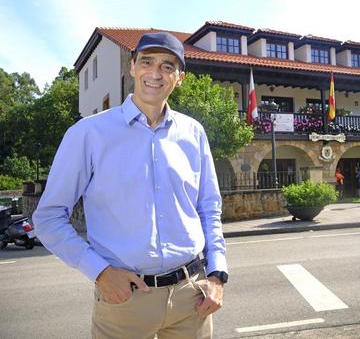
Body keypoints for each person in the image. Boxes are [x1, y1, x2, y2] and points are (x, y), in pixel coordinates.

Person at [32, 32, 227, 339]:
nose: (155, 73)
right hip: (126, 299)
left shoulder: (194, 133)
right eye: (147, 62)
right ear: (132, 66)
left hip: (193, 297)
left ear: (180, 78)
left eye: (167, 66)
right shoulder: (89, 134)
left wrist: (217, 274)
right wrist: (100, 272)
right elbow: (48, 218)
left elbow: (209, 209)